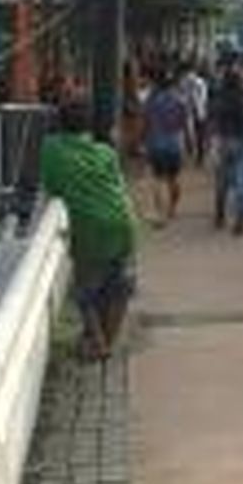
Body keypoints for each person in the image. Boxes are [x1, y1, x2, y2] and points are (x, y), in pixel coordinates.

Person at [39, 100, 138, 361]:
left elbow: (51, 189)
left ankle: (98, 341)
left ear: (60, 124)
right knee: (120, 287)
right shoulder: (105, 152)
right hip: (123, 222)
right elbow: (119, 185)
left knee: (86, 292)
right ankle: (108, 343)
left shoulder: (51, 149)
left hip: (90, 229)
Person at [212, 64, 243, 235]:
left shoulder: (219, 100)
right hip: (241, 142)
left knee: (221, 182)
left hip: (223, 141)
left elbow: (214, 121)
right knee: (240, 183)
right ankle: (240, 220)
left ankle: (220, 215)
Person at [142, 69, 189, 224]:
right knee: (174, 179)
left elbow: (145, 122)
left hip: (155, 143)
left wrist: (143, 141)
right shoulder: (180, 100)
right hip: (175, 144)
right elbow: (184, 124)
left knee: (156, 179)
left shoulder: (151, 100)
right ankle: (172, 209)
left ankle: (160, 213)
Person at [179, 61, 209, 166]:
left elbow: (183, 96)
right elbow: (204, 97)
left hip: (193, 110)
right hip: (196, 110)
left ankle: (196, 154)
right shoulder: (199, 82)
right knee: (195, 133)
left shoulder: (192, 82)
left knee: (193, 133)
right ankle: (197, 154)